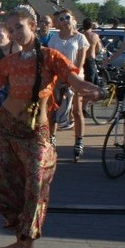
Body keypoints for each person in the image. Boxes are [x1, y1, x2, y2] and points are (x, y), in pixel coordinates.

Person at [0, 6, 102, 248]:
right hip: (5, 129)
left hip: (36, 133)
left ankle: (29, 246)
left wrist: (94, 91)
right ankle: (20, 239)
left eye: (18, 27)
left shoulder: (51, 57)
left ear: (32, 25)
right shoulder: (8, 62)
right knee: (4, 188)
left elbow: (75, 81)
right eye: (10, 30)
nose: (15, 33)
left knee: (35, 187)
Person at [48, 10, 89, 160]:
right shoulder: (54, 39)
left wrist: (73, 79)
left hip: (75, 77)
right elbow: (51, 59)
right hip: (58, 79)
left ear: (73, 19)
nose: (65, 21)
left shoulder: (80, 38)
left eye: (67, 18)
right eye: (61, 19)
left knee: (77, 111)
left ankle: (79, 140)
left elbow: (81, 60)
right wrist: (57, 78)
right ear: (58, 22)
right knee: (53, 111)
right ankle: (51, 139)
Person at [81, 18, 103, 86]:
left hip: (80, 59)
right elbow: (99, 48)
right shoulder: (94, 36)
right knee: (91, 81)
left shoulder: (80, 35)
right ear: (91, 26)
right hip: (90, 60)